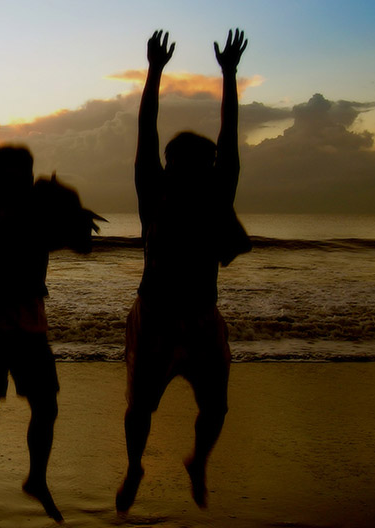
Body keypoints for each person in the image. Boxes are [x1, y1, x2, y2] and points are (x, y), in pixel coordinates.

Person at [116, 29, 251, 512]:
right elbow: (147, 132)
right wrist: (154, 72)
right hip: (153, 315)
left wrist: (230, 74)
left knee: (216, 407)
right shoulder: (153, 192)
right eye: (182, 161)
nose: (194, 169)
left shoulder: (217, 195)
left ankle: (198, 462)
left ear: (210, 168)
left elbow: (229, 140)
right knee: (140, 407)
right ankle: (135, 466)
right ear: (169, 166)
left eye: (203, 163)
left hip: (201, 318)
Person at [0, 124, 99, 528]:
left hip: (31, 327)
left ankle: (35, 478)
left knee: (46, 408)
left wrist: (72, 210)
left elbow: (83, 245)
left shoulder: (39, 212)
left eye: (18, 177)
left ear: (29, 178)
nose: (8, 184)